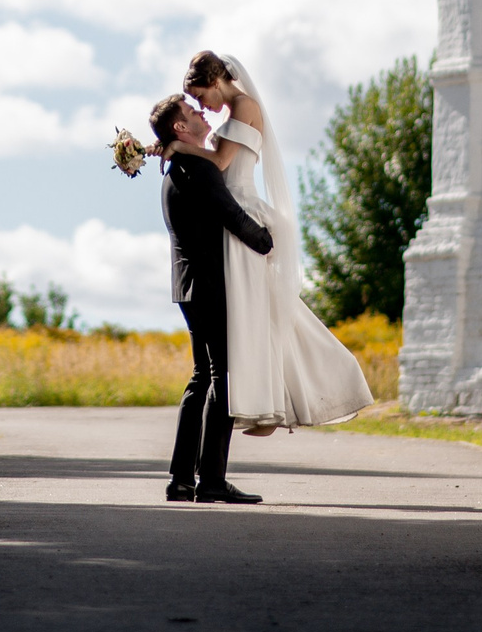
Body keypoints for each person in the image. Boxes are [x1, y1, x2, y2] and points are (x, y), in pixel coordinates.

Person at [162, 51, 375, 433]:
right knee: (250, 315)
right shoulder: (231, 113)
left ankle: (279, 396)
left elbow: (223, 163)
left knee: (256, 312)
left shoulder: (245, 105)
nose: (200, 106)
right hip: (231, 217)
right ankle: (262, 401)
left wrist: (178, 147)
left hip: (241, 213)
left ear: (216, 82)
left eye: (200, 96)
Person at [151, 91, 275, 503]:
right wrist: (267, 241)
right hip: (208, 284)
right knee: (223, 376)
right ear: (180, 128)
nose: (200, 112)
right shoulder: (196, 169)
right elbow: (230, 214)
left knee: (202, 376)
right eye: (191, 111)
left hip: (187, 286)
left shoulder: (175, 170)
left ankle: (182, 479)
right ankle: (213, 481)